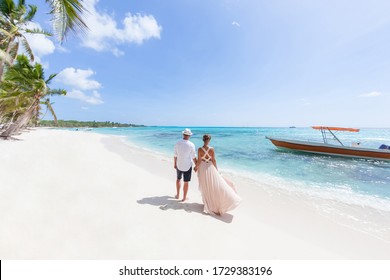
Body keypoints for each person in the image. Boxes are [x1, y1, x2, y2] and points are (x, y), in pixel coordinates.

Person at [194, 134, 241, 215]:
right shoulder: (212, 149)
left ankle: (208, 203)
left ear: (203, 140)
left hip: (202, 168)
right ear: (209, 140)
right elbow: (214, 160)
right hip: (210, 167)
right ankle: (214, 204)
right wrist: (216, 169)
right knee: (213, 185)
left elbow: (199, 161)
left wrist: (196, 167)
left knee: (205, 186)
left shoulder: (199, 149)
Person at [174, 128, 197, 201]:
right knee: (186, 182)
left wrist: (174, 164)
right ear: (189, 135)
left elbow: (175, 155)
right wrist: (197, 165)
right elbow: (193, 157)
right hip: (187, 166)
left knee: (178, 179)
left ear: (183, 134)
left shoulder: (177, 143)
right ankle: (184, 198)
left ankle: (177, 195)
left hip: (179, 164)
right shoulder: (191, 144)